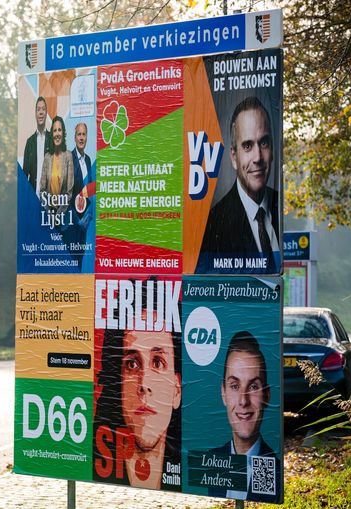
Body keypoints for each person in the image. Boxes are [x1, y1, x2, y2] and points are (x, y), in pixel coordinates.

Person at [94, 316, 182, 490]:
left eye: (158, 362)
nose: (144, 384)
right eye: (132, 364)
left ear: (176, 390)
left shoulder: (190, 468)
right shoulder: (91, 460)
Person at [197, 96, 279, 273]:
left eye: (263, 143)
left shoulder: (281, 207)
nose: (258, 157)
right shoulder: (213, 226)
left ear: (272, 149)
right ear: (234, 157)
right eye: (248, 146)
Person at [208, 331, 280, 502]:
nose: (243, 401)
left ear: (267, 396)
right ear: (223, 392)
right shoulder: (213, 460)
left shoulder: (272, 469)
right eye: (234, 386)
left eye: (253, 386)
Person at [64, 122, 93, 267]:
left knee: (80, 262)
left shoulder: (88, 160)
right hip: (72, 223)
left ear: (87, 137)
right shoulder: (68, 158)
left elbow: (89, 190)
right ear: (74, 138)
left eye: (84, 134)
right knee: (71, 262)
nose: (81, 138)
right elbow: (66, 195)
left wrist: (88, 215)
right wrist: (77, 221)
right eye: (79, 134)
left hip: (84, 224)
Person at [38, 116, 74, 216]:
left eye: (59, 130)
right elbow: (42, 191)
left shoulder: (68, 156)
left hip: (64, 215)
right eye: (54, 130)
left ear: (63, 133)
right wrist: (50, 214)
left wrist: (58, 216)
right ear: (52, 134)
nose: (57, 134)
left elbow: (69, 193)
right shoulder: (47, 157)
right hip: (48, 215)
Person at [23, 96, 51, 195]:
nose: (41, 112)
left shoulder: (52, 140)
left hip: (50, 198)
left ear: (46, 113)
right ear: (35, 114)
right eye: (38, 109)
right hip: (33, 196)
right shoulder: (29, 142)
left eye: (43, 109)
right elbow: (25, 175)